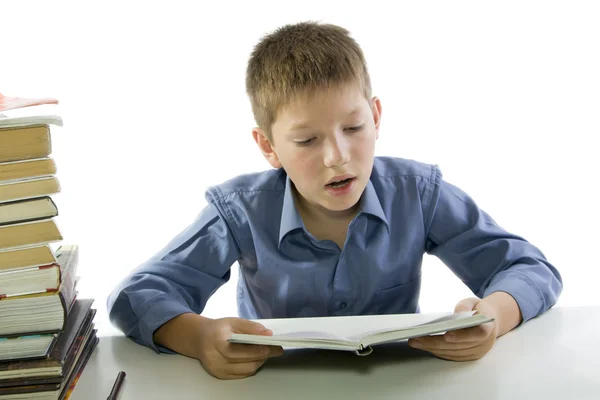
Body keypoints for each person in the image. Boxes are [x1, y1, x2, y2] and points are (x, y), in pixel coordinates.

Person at [107, 21, 562, 380]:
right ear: (268, 147)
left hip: (400, 385)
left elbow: (530, 269)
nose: (338, 157)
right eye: (306, 140)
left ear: (376, 116)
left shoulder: (418, 193)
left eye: (353, 128)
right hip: (276, 388)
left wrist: (495, 317)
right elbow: (136, 295)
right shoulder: (241, 210)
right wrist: (200, 337)